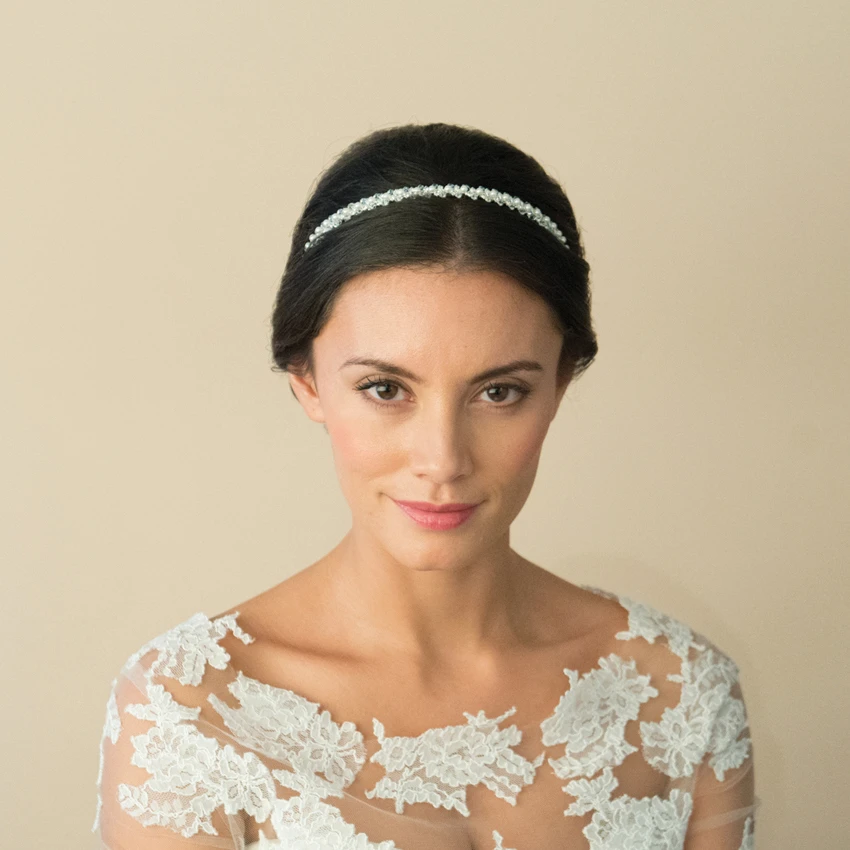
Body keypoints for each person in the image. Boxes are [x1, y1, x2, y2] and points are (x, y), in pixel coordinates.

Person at [92, 122, 760, 849]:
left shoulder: (681, 692)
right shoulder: (186, 713)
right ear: (307, 380)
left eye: (499, 392)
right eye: (385, 389)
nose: (442, 460)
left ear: (560, 383)